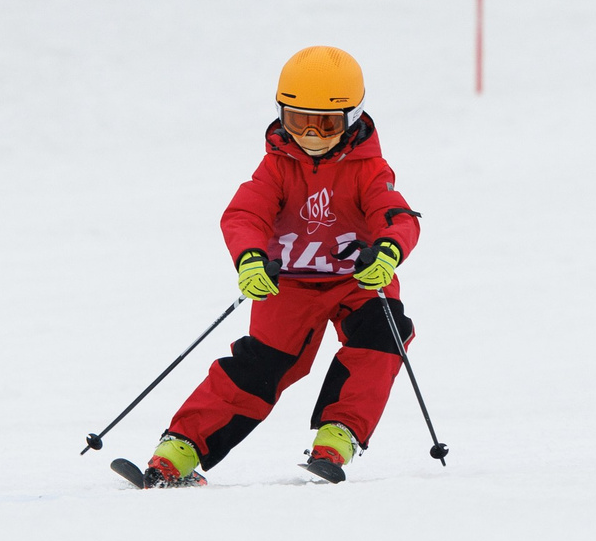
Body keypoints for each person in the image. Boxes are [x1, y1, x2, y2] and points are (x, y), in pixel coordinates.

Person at [128, 46, 424, 488]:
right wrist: (250, 257)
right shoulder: (276, 168)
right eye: (297, 121)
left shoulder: (368, 169)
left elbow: (396, 215)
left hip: (356, 281)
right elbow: (245, 214)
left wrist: (388, 251)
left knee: (384, 334)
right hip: (288, 285)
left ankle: (337, 436)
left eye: (327, 124)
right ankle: (180, 449)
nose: (311, 135)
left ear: (353, 118)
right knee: (261, 367)